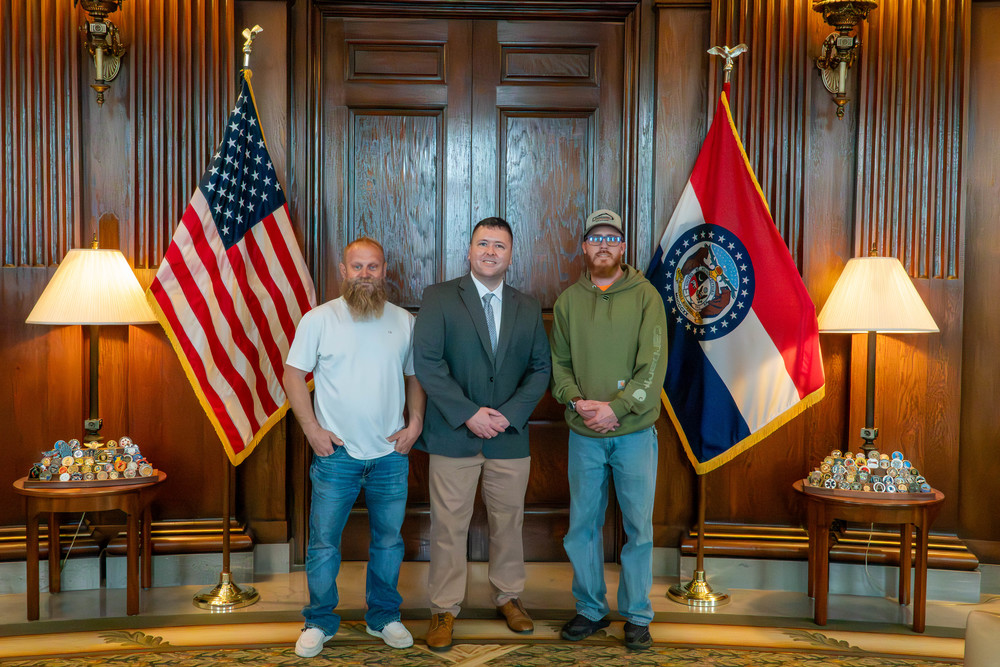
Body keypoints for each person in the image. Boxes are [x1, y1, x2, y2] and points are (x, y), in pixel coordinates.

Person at [413, 217, 551, 650]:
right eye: (483, 244)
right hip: (455, 435)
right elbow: (428, 365)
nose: (491, 252)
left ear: (511, 254)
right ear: (469, 250)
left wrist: (506, 416)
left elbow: (539, 370)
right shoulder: (438, 298)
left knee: (508, 524)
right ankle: (443, 608)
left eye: (500, 246)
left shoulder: (527, 306)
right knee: (447, 527)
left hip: (509, 437)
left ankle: (508, 597)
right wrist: (470, 414)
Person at [284, 237, 425, 658]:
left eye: (374, 267)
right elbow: (294, 375)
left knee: (388, 541)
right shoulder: (319, 320)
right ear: (342, 271)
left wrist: (415, 423)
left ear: (385, 271)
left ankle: (383, 616)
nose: (365, 274)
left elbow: (415, 377)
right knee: (324, 542)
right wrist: (312, 429)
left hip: (389, 456)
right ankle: (319, 621)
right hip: (337, 456)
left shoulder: (404, 321)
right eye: (357, 266)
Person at [549, 209, 668, 651]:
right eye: (595, 237)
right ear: (584, 247)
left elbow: (653, 367)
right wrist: (577, 402)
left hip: (634, 432)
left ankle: (637, 615)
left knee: (639, 527)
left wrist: (616, 408)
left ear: (622, 248)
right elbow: (559, 365)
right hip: (583, 433)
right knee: (582, 525)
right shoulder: (567, 302)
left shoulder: (646, 297)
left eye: (612, 238)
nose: (603, 245)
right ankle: (590, 610)